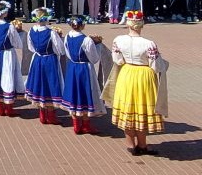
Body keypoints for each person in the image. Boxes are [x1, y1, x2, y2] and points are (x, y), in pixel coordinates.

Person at [104, 10, 168, 156]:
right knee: (142, 110)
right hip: (144, 76)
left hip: (126, 73)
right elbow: (156, 65)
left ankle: (130, 144)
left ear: (128, 24)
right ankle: (143, 144)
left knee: (128, 109)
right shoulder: (149, 44)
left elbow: (117, 60)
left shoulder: (118, 40)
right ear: (141, 24)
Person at [59, 15, 105, 135]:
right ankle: (85, 124)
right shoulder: (86, 40)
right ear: (82, 25)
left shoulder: (68, 36)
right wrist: (98, 45)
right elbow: (94, 58)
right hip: (84, 68)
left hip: (72, 67)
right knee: (85, 93)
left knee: (74, 93)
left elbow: (67, 53)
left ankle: (76, 125)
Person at [25, 9, 66, 124]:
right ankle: (51, 115)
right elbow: (60, 49)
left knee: (40, 84)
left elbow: (30, 47)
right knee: (50, 84)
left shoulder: (31, 31)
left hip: (37, 59)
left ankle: (42, 114)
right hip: (49, 60)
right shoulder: (51, 32)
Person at [0, 2, 25, 117]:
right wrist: (20, 32)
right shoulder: (9, 26)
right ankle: (9, 108)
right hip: (8, 53)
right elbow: (18, 44)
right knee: (9, 76)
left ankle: (0, 107)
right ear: (3, 13)